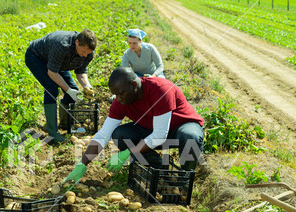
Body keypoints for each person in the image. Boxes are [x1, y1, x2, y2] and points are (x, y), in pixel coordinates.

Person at [63, 67, 204, 184]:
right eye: (114, 94)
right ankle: (160, 170)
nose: (117, 98)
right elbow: (103, 135)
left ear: (134, 85)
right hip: (152, 130)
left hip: (181, 127)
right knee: (120, 135)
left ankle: (184, 181)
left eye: (120, 93)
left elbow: (160, 135)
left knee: (190, 137)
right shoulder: (121, 102)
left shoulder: (160, 90)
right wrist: (83, 164)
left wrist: (130, 152)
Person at [25, 29, 97, 143]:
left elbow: (81, 71)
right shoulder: (62, 46)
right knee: (51, 88)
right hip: (37, 57)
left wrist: (87, 86)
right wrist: (68, 90)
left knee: (74, 90)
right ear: (77, 42)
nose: (85, 55)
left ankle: (64, 124)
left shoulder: (88, 52)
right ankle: (53, 133)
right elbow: (52, 72)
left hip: (59, 63)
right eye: (83, 51)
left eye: (87, 53)